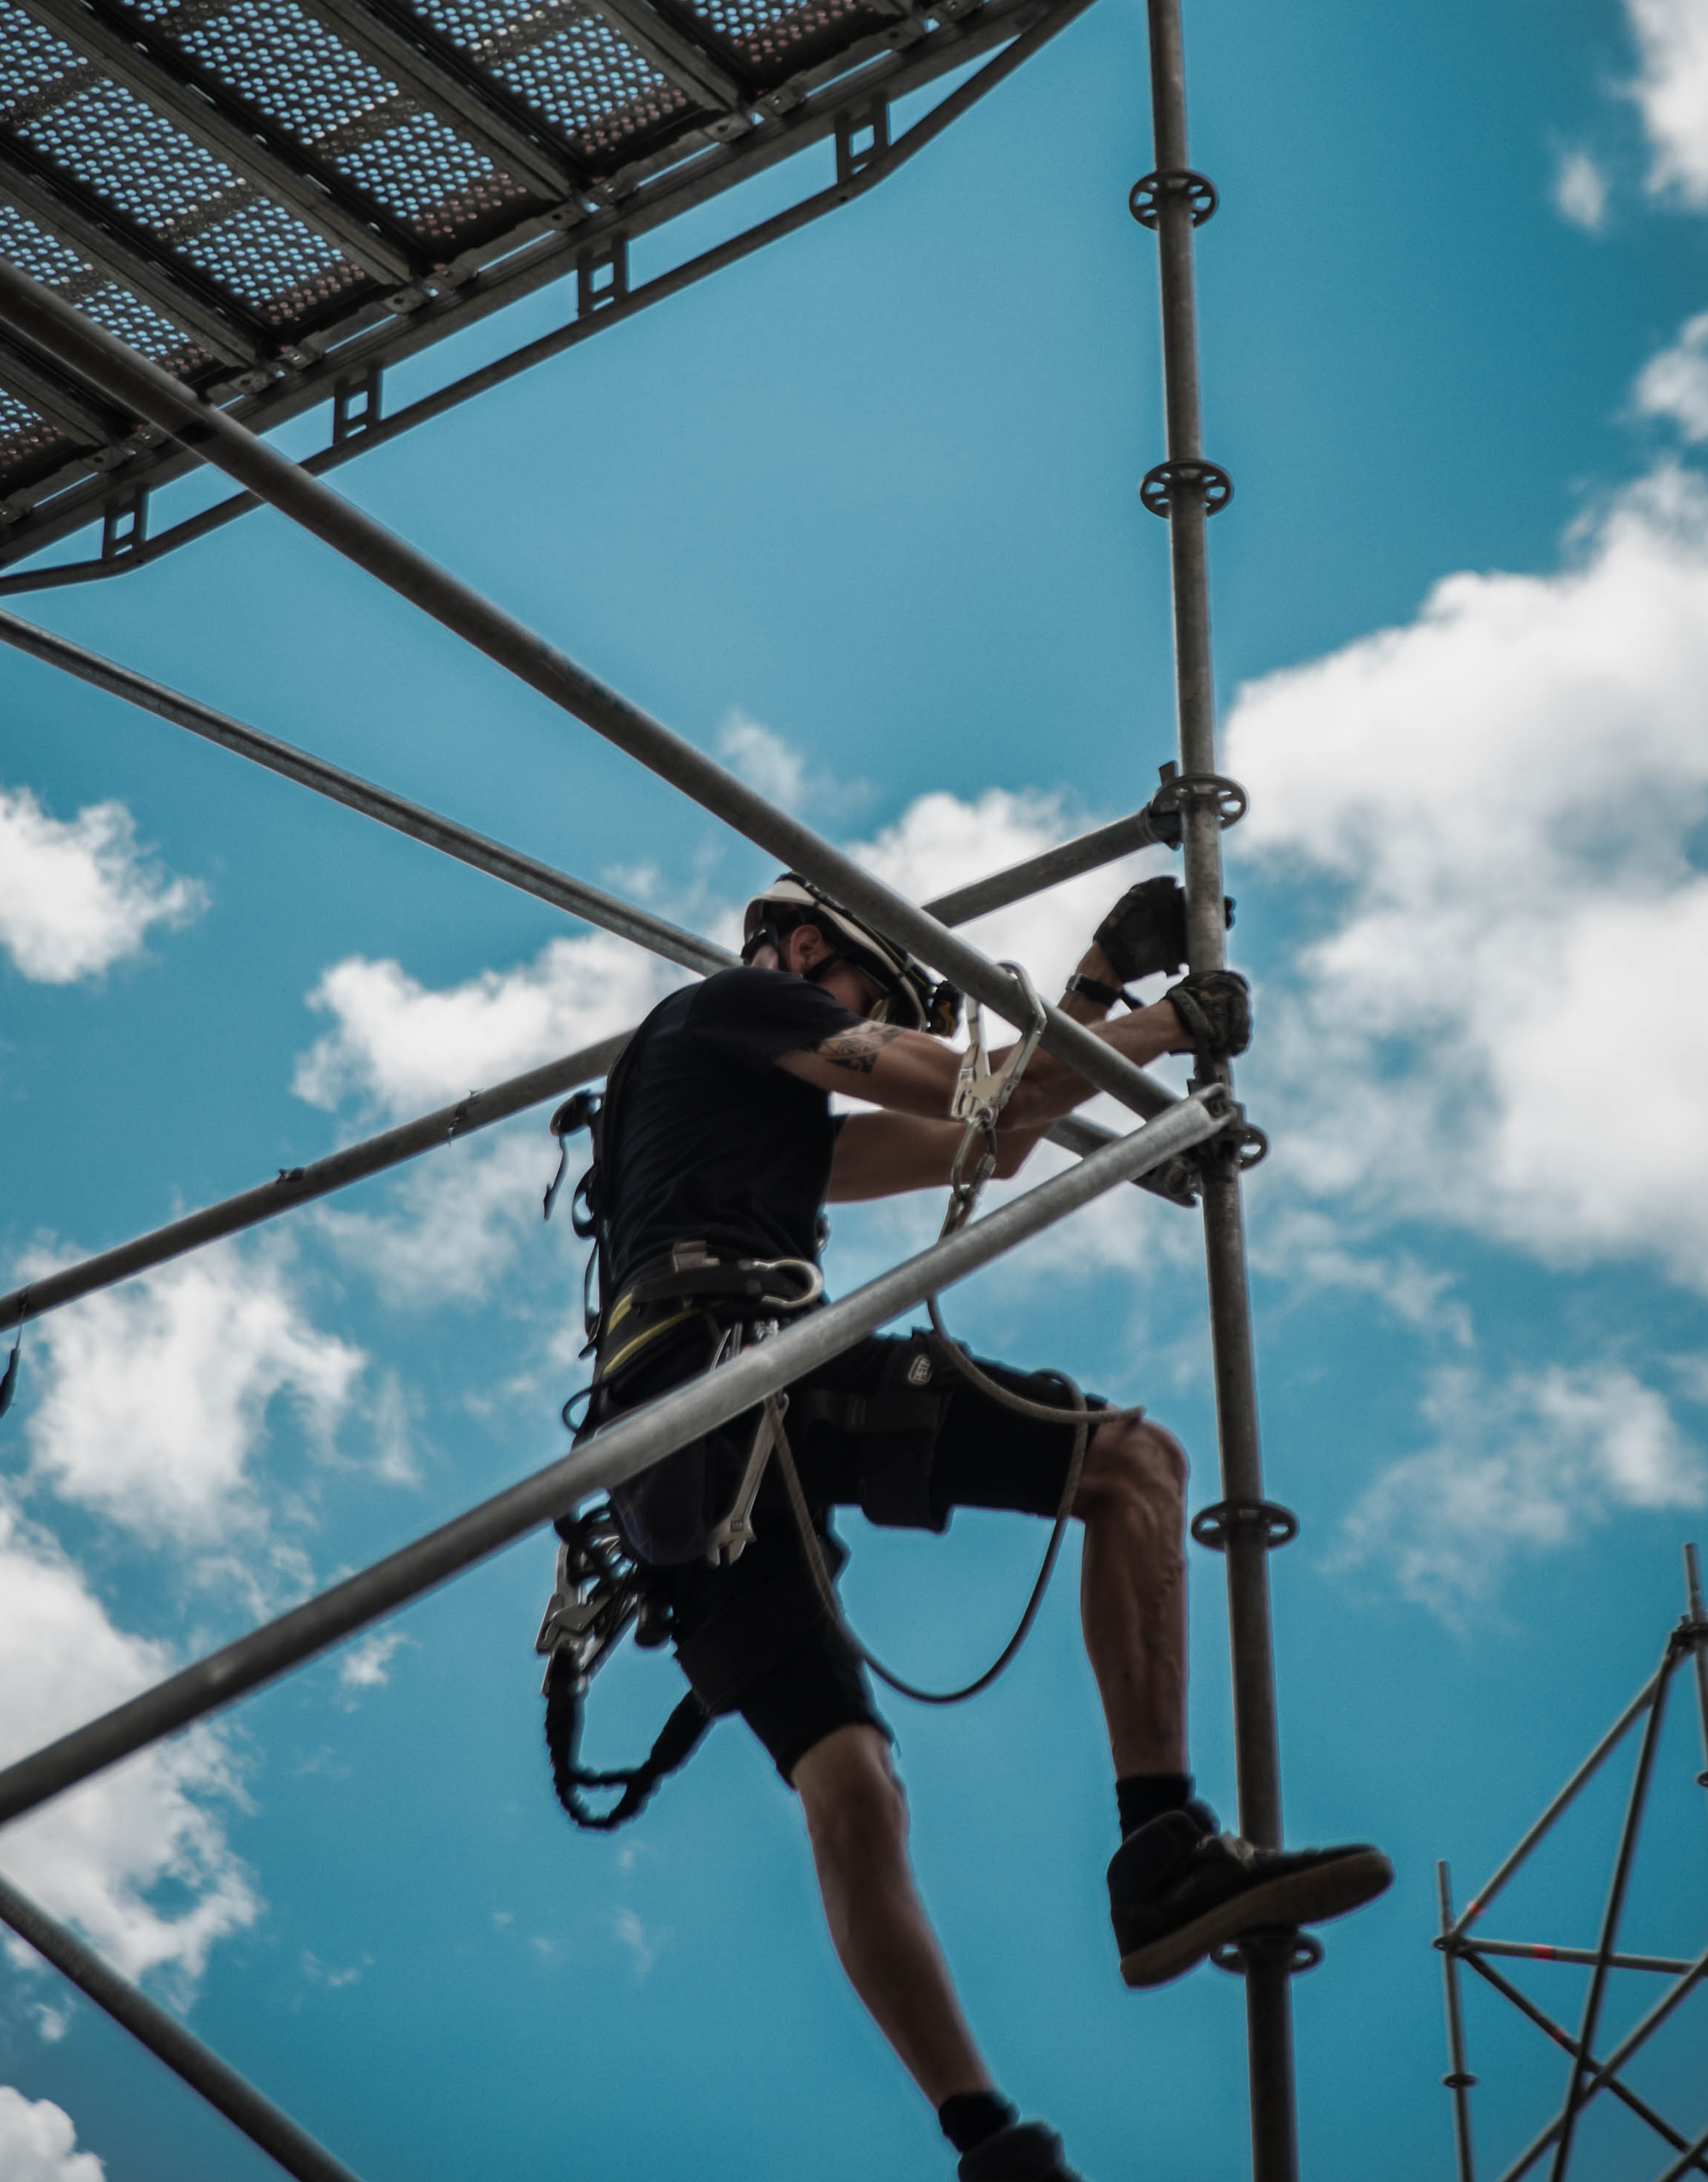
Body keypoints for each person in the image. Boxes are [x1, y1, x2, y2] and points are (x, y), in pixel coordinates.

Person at [577, 873, 1390, 2182]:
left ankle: (984, 2141)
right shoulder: (736, 1005)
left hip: (666, 1456)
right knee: (1131, 1467)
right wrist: (1170, 1023)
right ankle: (1162, 1844)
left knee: (850, 1791)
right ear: (800, 949)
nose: (857, 1029)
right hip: (743, 1374)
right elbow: (967, 1091)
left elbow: (994, 1137)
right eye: (863, 999)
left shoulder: (753, 1135)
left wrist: (1094, 995)